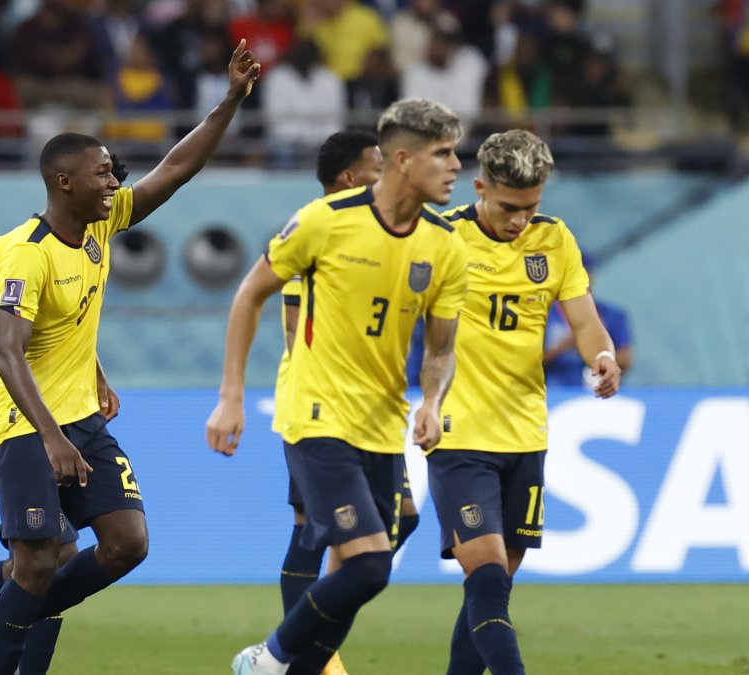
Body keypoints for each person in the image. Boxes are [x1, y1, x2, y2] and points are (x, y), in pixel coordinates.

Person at [0, 41, 261, 675]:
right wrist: (23, 414)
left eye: (113, 173)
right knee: (36, 563)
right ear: (64, 182)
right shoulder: (26, 253)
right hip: (29, 430)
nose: (115, 182)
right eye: (104, 173)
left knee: (125, 543)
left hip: (77, 418)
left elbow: (175, 169)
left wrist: (229, 101)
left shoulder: (99, 228)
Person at [206, 98, 469, 675]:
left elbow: (442, 347)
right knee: (369, 564)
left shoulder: (446, 245)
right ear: (402, 159)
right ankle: (268, 659)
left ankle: (293, 668)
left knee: (367, 566)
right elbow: (249, 294)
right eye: (443, 153)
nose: (456, 166)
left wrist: (432, 401)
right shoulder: (325, 221)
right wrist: (231, 396)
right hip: (316, 417)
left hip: (381, 427)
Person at [432, 130, 621, 675]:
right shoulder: (442, 237)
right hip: (458, 432)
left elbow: (582, 320)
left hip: (525, 434)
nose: (520, 220)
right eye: (509, 207)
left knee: (490, 591)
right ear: (479, 187)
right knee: (487, 576)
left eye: (531, 207)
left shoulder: (553, 239)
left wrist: (601, 357)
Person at [273, 129, 388, 675]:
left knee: (388, 526)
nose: (385, 176)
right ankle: (304, 658)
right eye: (377, 167)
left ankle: (303, 649)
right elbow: (296, 331)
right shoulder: (316, 227)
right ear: (349, 177)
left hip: (371, 410)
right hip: (320, 407)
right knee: (310, 528)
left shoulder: (379, 230)